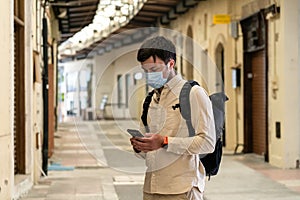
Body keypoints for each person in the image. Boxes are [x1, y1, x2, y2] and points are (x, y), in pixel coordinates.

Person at [130, 36, 216, 200]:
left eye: (154, 70)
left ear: (171, 64)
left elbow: (207, 143)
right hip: (152, 188)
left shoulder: (193, 94)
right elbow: (147, 150)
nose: (149, 76)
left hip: (182, 189)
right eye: (145, 71)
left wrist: (164, 141)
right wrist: (139, 146)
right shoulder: (150, 99)